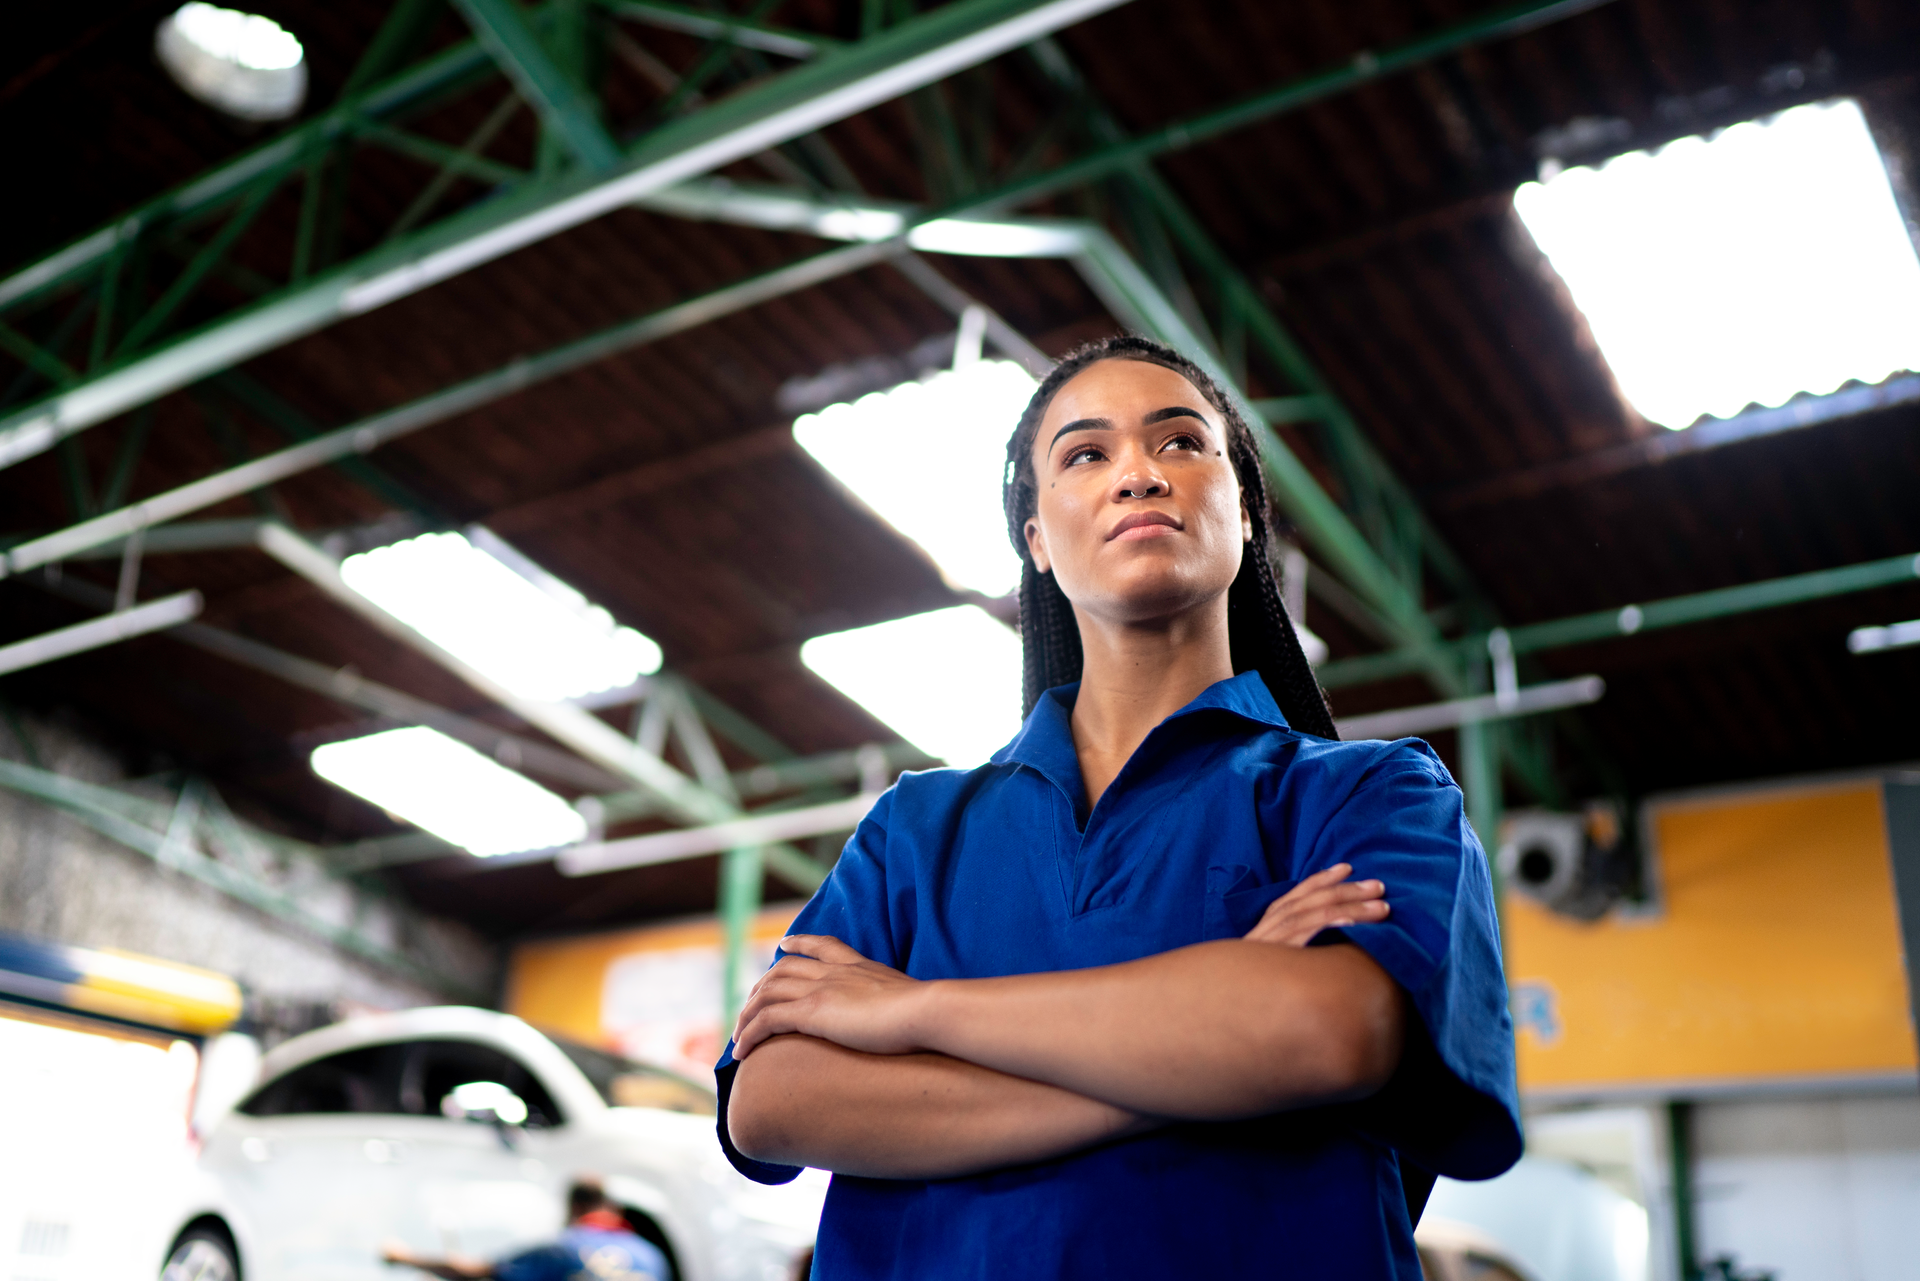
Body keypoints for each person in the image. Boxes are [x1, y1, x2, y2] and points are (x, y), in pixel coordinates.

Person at [718, 335, 1521, 1279]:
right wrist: (1207, 1048)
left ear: (1247, 512)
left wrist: (912, 1011)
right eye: (1086, 454)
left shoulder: (1372, 794)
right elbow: (772, 1100)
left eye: (1181, 442)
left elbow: (1327, 1032)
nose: (1139, 472)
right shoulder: (913, 830)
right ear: (1037, 539)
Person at [381, 1178, 668, 1281]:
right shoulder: (654, 1257)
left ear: (575, 1208)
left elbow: (474, 1271)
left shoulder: (564, 1248)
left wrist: (403, 1257)